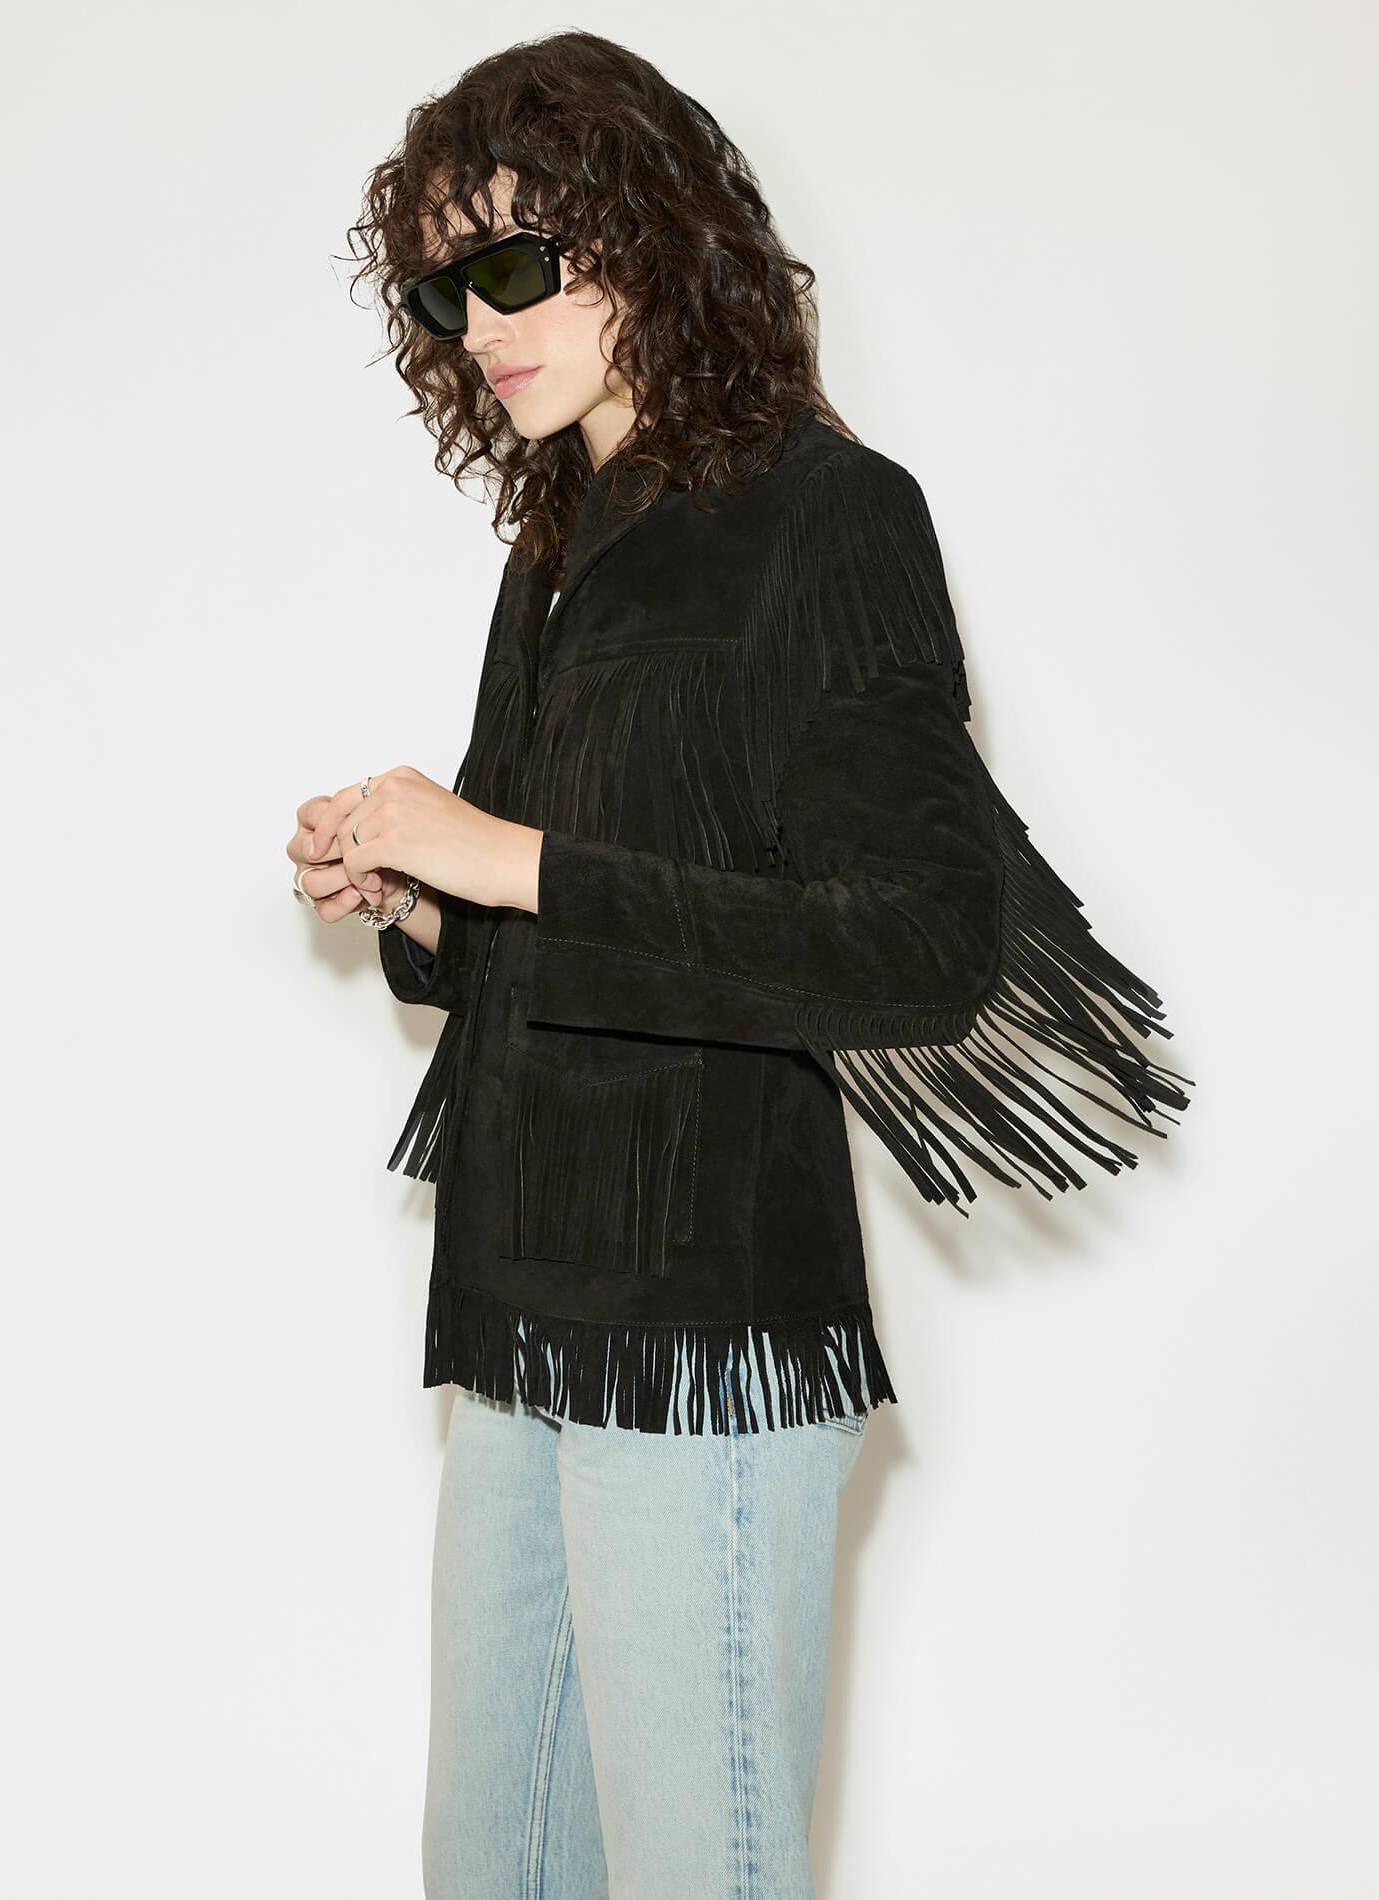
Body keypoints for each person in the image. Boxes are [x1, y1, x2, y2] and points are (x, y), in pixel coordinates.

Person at [285, 31, 1192, 1898]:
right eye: (448, 287)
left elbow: (918, 945)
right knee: (488, 1869)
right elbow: (549, 938)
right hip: (518, 1298)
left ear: (653, 235)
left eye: (517, 262)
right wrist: (419, 896)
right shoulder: (557, 548)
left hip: (704, 1325)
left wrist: (499, 850)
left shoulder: (832, 515)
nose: (481, 321)